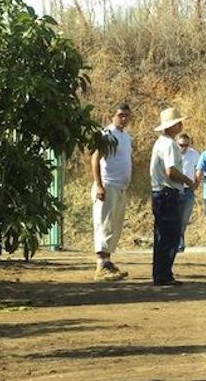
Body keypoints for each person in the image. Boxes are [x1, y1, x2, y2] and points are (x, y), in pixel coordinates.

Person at [149, 107, 197, 286]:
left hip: (161, 193)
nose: (181, 125)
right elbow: (171, 171)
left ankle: (161, 273)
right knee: (171, 235)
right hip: (168, 193)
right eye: (178, 122)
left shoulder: (161, 143)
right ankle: (164, 274)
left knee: (162, 235)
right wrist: (188, 181)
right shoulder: (169, 144)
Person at [91, 103, 134, 281]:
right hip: (108, 185)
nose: (123, 118)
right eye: (120, 115)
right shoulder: (106, 135)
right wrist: (99, 185)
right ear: (112, 116)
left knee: (114, 225)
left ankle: (107, 262)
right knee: (104, 223)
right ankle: (101, 264)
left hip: (120, 187)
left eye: (126, 115)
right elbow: (95, 158)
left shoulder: (125, 137)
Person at [175, 133, 199, 252]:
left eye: (186, 145)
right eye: (181, 145)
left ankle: (180, 242)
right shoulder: (172, 154)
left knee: (184, 219)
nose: (183, 148)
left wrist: (197, 183)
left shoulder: (194, 154)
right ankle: (179, 244)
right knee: (176, 218)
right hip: (176, 189)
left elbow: (198, 169)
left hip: (189, 190)